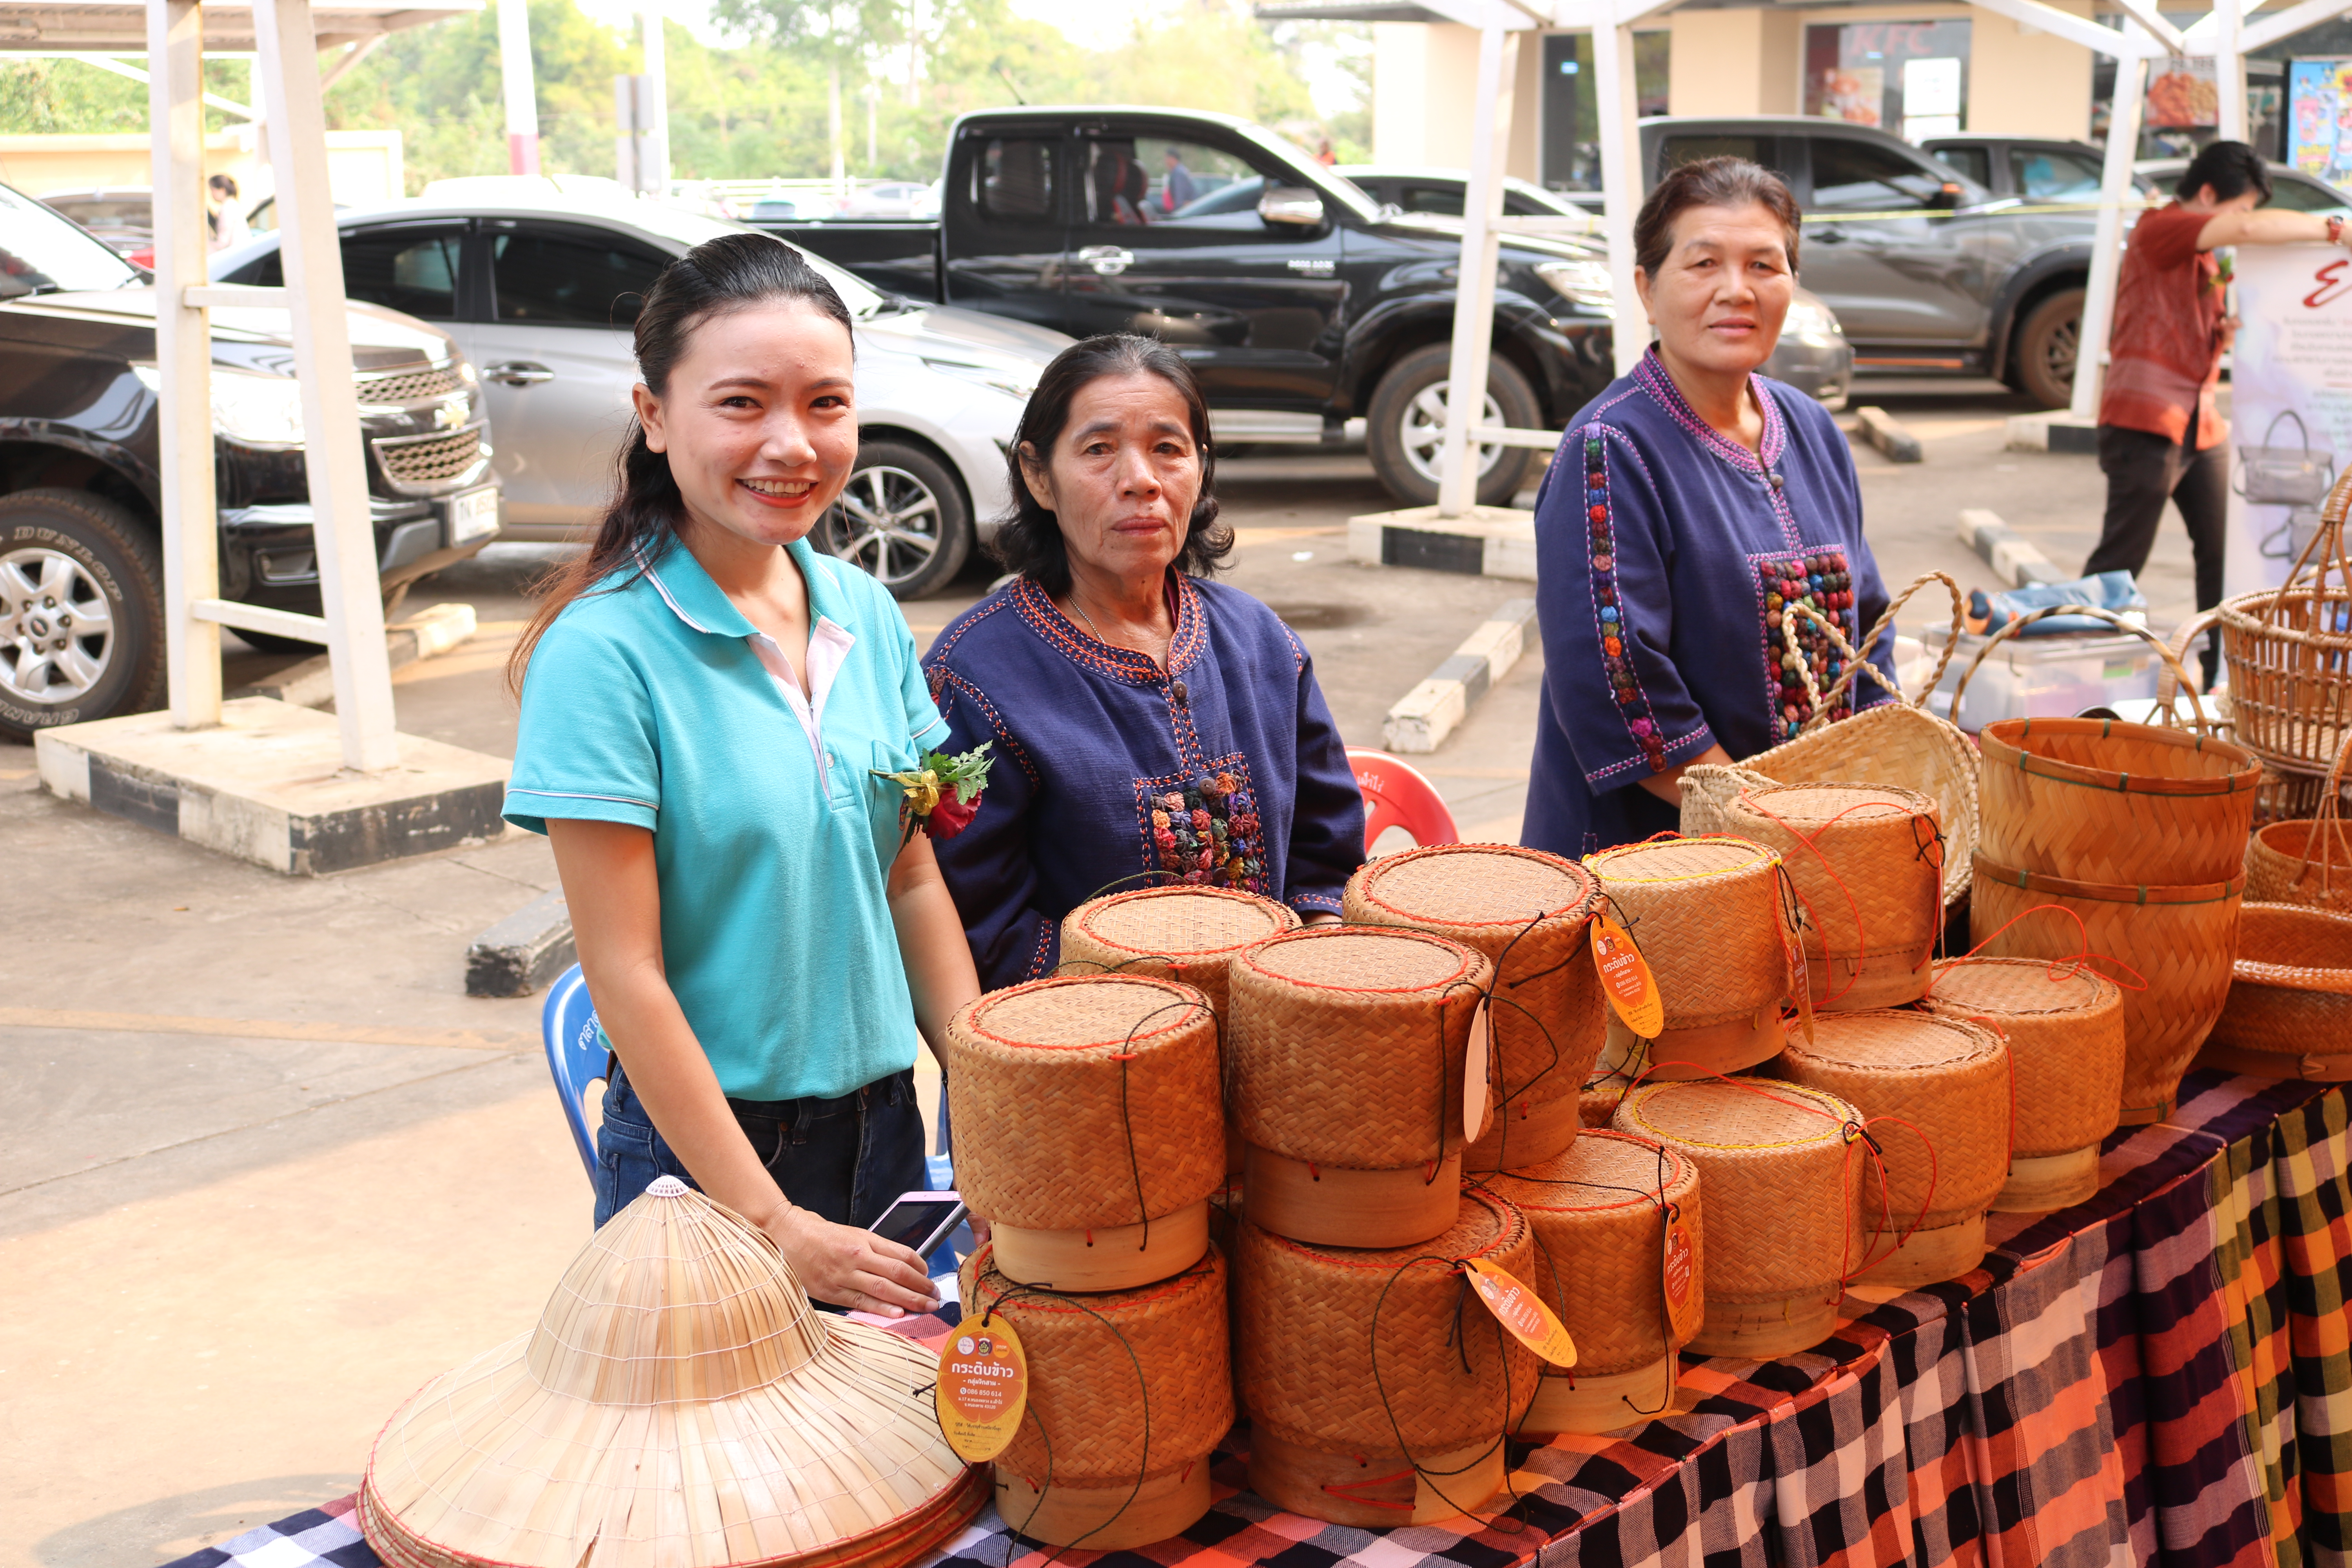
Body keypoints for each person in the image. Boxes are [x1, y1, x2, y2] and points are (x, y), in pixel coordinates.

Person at [503, 233, 977, 1318]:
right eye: (742, 404)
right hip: (705, 1163)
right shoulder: (603, 653)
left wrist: (987, 1088)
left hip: (885, 1130)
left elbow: (908, 879)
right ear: (655, 415)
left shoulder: (864, 613)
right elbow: (625, 974)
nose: (791, 443)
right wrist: (773, 1223)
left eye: (825, 403)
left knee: (887, 1424)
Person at [923, 334, 1366, 989]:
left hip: (1272, 1026)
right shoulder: (973, 678)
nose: (1141, 480)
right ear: (1038, 476)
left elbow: (1324, 851)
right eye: (1099, 449)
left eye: (1168, 448)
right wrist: (1146, 1003)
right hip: (1080, 1035)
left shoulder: (1263, 643)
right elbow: (976, 920)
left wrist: (1311, 963)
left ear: (1201, 467)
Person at [1522, 156, 1897, 859]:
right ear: (1647, 289)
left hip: (1817, 849)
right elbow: (1619, 687)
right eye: (1703, 264)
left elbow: (1867, 635)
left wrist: (1873, 789)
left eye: (1764, 265)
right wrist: (1767, 821)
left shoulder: (1812, 428)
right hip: (1656, 869)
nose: (1736, 290)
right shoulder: (1609, 448)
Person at [2087, 140, 2352, 682]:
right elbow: (2248, 231)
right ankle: (2079, 672)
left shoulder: (2203, 252)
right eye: (2241, 207)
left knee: (2222, 557)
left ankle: (2218, 683)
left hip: (2200, 423)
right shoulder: (2161, 227)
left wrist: (2219, 334)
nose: (2244, 221)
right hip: (2146, 421)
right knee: (2120, 561)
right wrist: (2335, 230)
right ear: (2208, 194)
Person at [206, 173, 248, 252]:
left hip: (236, 254)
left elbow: (222, 243)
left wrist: (203, 247)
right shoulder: (232, 204)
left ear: (222, 190)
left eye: (212, 190)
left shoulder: (227, 208)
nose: (211, 194)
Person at [1161, 147, 1198, 215]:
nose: (1165, 161)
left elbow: (1179, 198)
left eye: (1166, 158)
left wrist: (1176, 215)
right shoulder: (1179, 170)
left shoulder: (1178, 173)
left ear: (1172, 158)